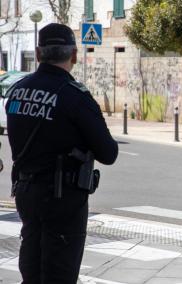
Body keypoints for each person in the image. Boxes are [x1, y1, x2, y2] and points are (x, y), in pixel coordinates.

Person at [6, 23, 118, 283]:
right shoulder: (75, 97)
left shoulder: (17, 91)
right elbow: (109, 152)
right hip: (61, 197)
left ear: (38, 53)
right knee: (59, 273)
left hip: (25, 192)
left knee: (31, 267)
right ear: (75, 56)